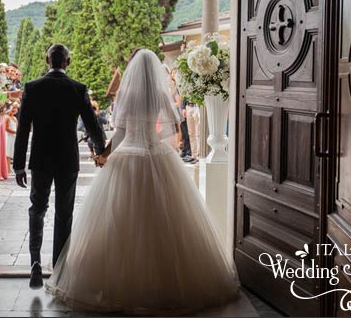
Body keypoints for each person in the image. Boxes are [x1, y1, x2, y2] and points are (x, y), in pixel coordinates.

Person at [45, 49, 238, 314]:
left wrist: (104, 155)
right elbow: (172, 128)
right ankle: (166, 284)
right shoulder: (161, 94)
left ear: (134, 70)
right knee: (165, 221)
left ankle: (118, 284)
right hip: (158, 154)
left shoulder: (127, 94)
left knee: (121, 219)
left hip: (129, 156)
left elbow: (122, 132)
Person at [13, 44, 106, 290]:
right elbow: (93, 125)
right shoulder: (77, 89)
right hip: (67, 159)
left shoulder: (32, 88)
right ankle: (59, 268)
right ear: (68, 62)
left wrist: (19, 166)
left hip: (41, 159)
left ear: (47, 60)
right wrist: (101, 149)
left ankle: (34, 262)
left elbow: (22, 129)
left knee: (37, 208)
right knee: (64, 214)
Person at [4, 102, 19, 176]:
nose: (14, 110)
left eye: (16, 108)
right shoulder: (7, 117)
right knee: (8, 153)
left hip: (13, 137)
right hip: (8, 136)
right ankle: (8, 169)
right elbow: (6, 128)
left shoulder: (15, 118)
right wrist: (15, 132)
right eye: (13, 108)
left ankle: (9, 168)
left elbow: (17, 127)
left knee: (11, 152)